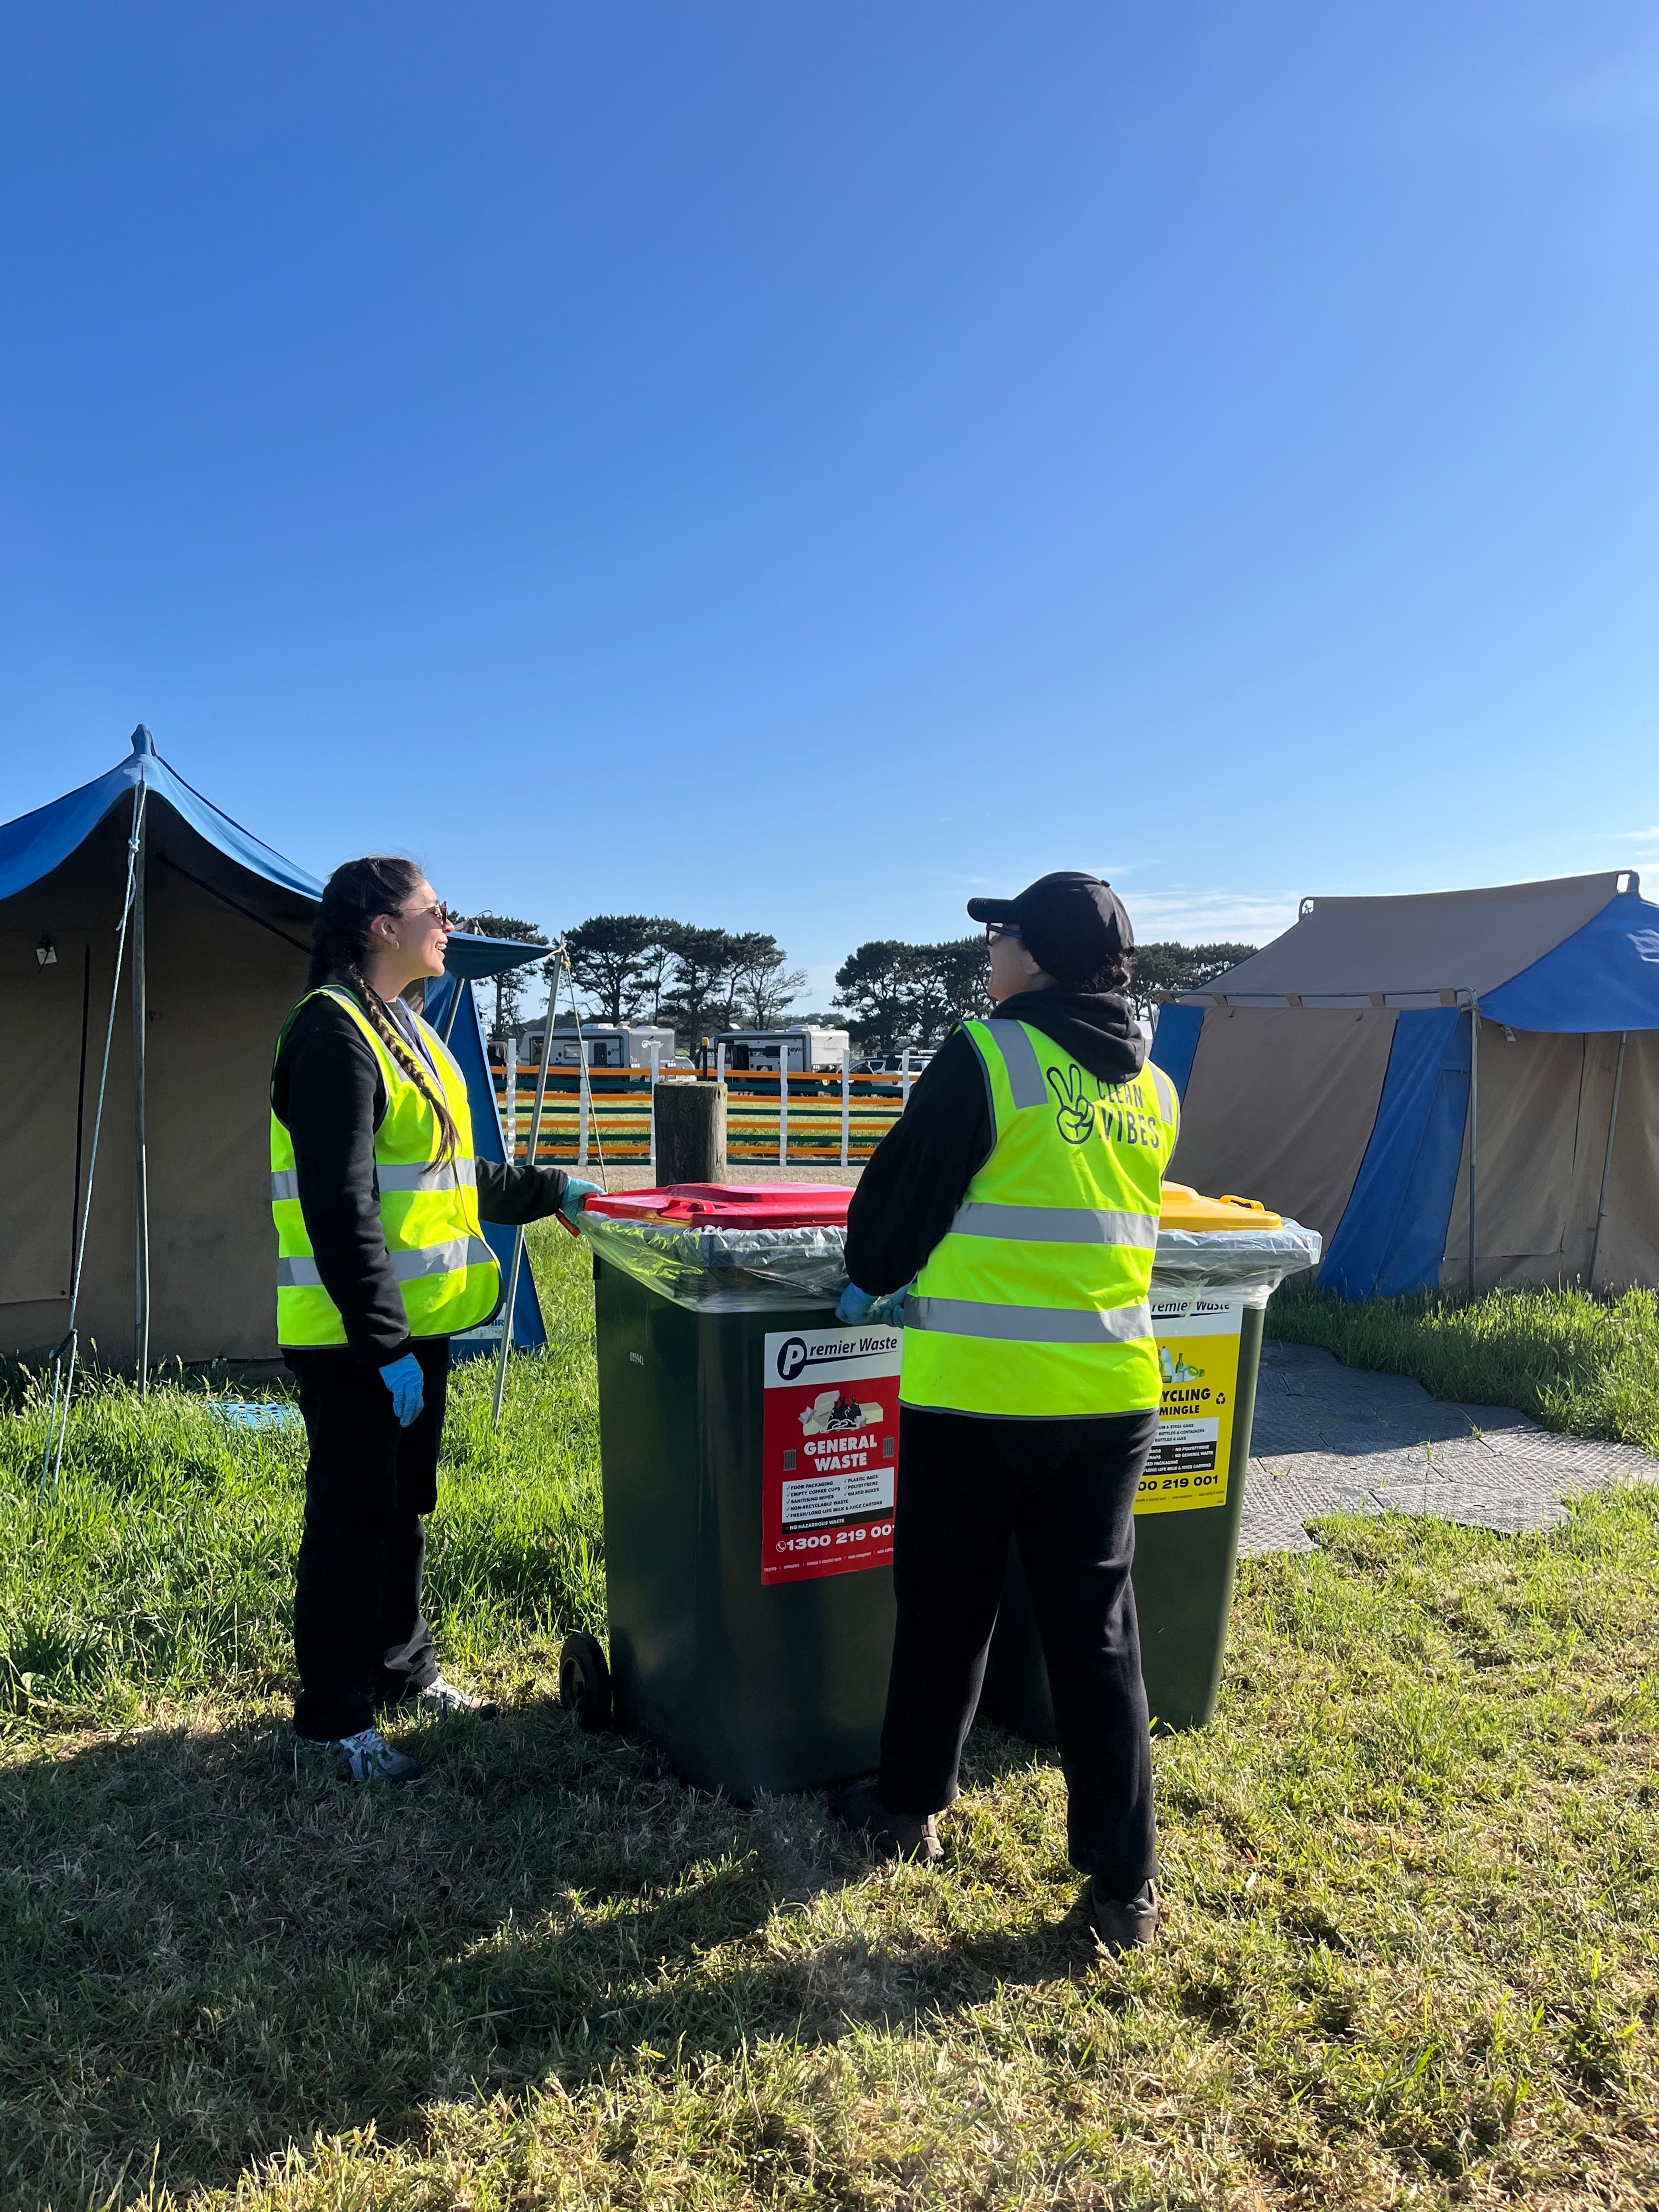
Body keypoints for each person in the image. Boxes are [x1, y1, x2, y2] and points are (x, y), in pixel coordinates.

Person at [829, 871, 1179, 1951]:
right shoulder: (1155, 1086)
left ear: (1039, 958)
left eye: (1005, 937)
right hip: (1111, 1399)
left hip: (979, 1398)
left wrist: (872, 1271)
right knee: (1097, 1638)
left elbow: (887, 1225)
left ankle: (909, 1809)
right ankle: (1125, 1889)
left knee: (946, 1606)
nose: (993, 954)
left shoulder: (990, 1057)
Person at [271, 856, 600, 1784]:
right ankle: (332, 1728)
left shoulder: (406, 1028)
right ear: (381, 927)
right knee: (351, 1521)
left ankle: (402, 1672)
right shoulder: (332, 1035)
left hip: (417, 1325)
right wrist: (382, 1345)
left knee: (403, 1507)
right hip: (356, 1336)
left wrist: (553, 1189)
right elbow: (342, 1207)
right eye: (434, 911)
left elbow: (455, 1177)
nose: (449, 924)